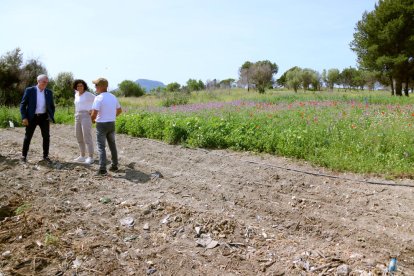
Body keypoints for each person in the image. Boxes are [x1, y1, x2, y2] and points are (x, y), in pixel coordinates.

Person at [20, 74, 55, 163]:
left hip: (44, 117)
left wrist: (51, 116)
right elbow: (23, 105)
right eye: (44, 82)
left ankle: (45, 156)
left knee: (46, 137)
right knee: (28, 137)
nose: (45, 83)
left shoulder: (48, 92)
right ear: (38, 81)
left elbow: (52, 106)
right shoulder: (30, 90)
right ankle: (23, 156)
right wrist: (24, 117)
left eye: (47, 82)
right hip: (32, 117)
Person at [90, 77, 122, 175]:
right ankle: (114, 165)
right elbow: (119, 110)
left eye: (96, 85)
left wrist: (93, 120)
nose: (95, 87)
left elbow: (94, 113)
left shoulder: (98, 98)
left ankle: (102, 169)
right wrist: (112, 116)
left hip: (101, 125)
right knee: (112, 145)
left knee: (101, 146)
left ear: (101, 87)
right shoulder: (113, 96)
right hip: (111, 124)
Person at [73, 79, 95, 164]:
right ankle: (82, 156)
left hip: (86, 116)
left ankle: (91, 157)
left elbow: (97, 100)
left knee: (87, 136)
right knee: (78, 136)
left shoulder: (88, 94)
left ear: (84, 86)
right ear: (76, 87)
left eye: (81, 85)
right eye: (78, 86)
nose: (79, 87)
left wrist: (92, 110)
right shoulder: (76, 95)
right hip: (77, 116)